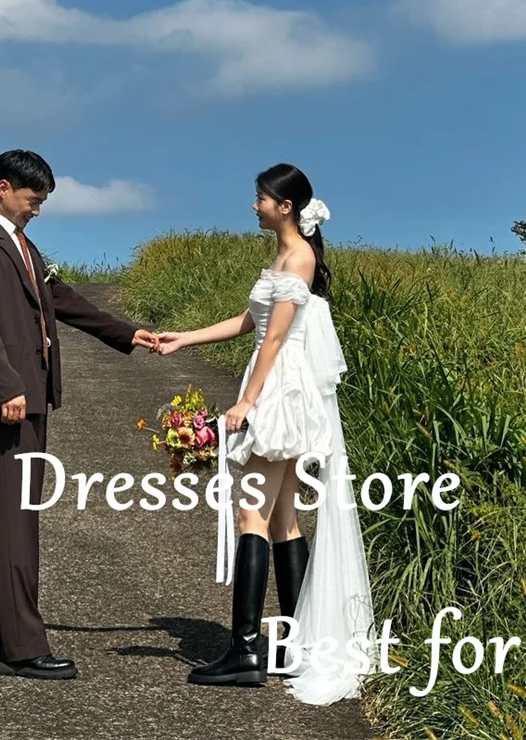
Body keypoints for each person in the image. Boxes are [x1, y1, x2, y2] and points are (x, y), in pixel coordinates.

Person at [154, 163, 374, 700]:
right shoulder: (283, 256)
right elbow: (246, 324)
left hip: (279, 389)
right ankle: (292, 645)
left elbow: (274, 342)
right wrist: (183, 339)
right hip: (278, 381)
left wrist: (246, 401)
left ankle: (245, 650)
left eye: (261, 198)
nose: (254, 205)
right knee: (281, 518)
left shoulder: (297, 257)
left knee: (249, 510)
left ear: (286, 206)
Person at [0, 149, 158, 680]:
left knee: (8, 517)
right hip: (9, 401)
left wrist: (126, 333)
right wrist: (7, 386)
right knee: (18, 519)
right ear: (3, 188)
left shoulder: (21, 244)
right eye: (32, 199)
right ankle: (21, 649)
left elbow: (58, 297)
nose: (37, 209)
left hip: (28, 396)